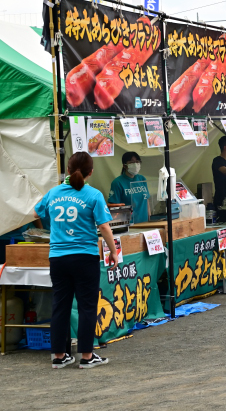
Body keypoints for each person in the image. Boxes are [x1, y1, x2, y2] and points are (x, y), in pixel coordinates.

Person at [33, 152, 118, 369]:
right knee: (87, 307)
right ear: (91, 172)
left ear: (68, 171)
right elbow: (104, 227)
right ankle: (87, 356)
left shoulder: (54, 193)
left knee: (60, 306)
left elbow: (36, 212)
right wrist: (113, 251)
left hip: (58, 258)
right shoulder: (93, 195)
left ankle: (59, 356)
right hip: (85, 257)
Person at [107, 152, 150, 224]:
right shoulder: (117, 182)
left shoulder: (142, 178)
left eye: (137, 162)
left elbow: (147, 199)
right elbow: (113, 206)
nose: (135, 164)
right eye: (132, 162)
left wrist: (149, 215)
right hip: (128, 223)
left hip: (144, 221)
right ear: (125, 165)